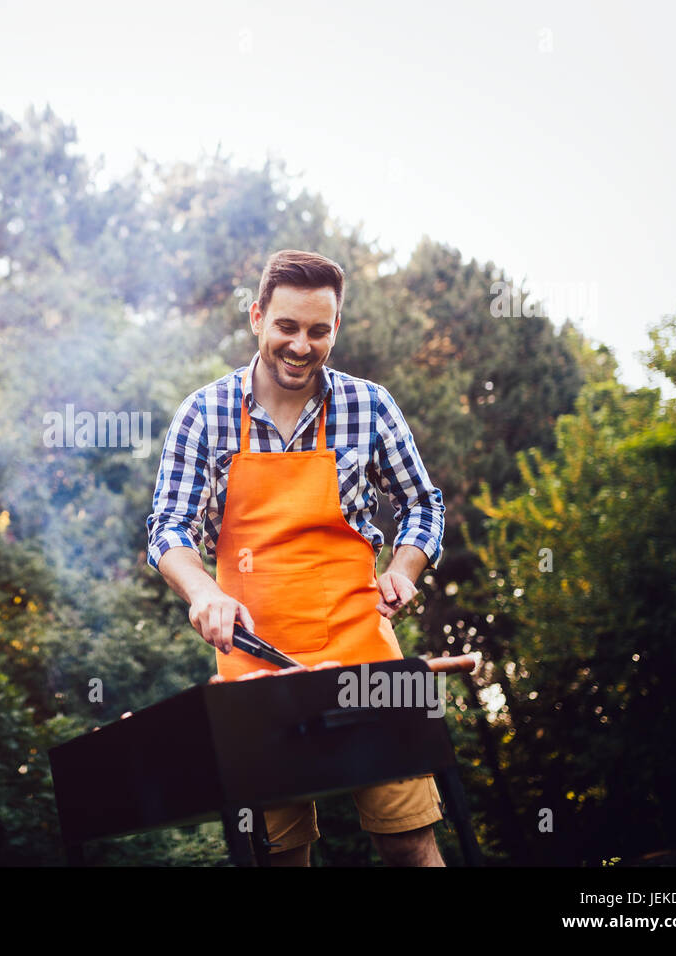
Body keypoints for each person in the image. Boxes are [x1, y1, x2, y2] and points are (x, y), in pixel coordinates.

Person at [145, 249, 448, 867]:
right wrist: (204, 594)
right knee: (282, 854)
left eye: (318, 330)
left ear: (335, 329)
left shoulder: (370, 406)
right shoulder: (204, 414)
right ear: (258, 318)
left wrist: (402, 569)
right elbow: (167, 527)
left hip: (364, 655)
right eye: (286, 326)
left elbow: (424, 504)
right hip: (256, 674)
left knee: (408, 838)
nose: (300, 345)